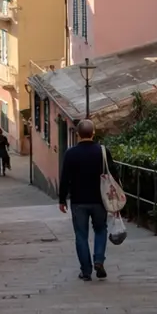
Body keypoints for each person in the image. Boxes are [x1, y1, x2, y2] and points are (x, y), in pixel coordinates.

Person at [57, 119, 111, 281]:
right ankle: (99, 260)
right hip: (100, 200)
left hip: (78, 201)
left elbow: (65, 178)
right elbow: (113, 175)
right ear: (93, 133)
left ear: (78, 134)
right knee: (101, 230)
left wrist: (62, 199)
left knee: (81, 235)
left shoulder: (70, 153)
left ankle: (86, 271)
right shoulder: (102, 152)